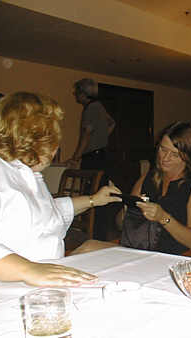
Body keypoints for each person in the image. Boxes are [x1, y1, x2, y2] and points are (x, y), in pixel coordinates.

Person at [0, 92, 121, 287]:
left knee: (109, 254)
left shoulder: (26, 173)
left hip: (46, 276)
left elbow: (43, 216)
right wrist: (28, 269)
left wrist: (94, 200)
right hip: (0, 289)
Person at [116, 122, 191, 255]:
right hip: (138, 251)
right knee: (87, 247)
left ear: (187, 157)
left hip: (172, 258)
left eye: (174, 154)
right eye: (163, 149)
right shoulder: (147, 178)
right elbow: (120, 225)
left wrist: (163, 217)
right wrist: (127, 208)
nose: (165, 158)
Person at [67, 78, 116, 240]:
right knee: (100, 193)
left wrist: (76, 157)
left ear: (83, 93)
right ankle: (99, 234)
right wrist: (102, 139)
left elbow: (86, 135)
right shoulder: (100, 106)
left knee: (93, 195)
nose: (75, 96)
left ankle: (93, 234)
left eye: (76, 93)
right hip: (103, 155)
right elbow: (112, 123)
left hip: (93, 158)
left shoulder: (90, 109)